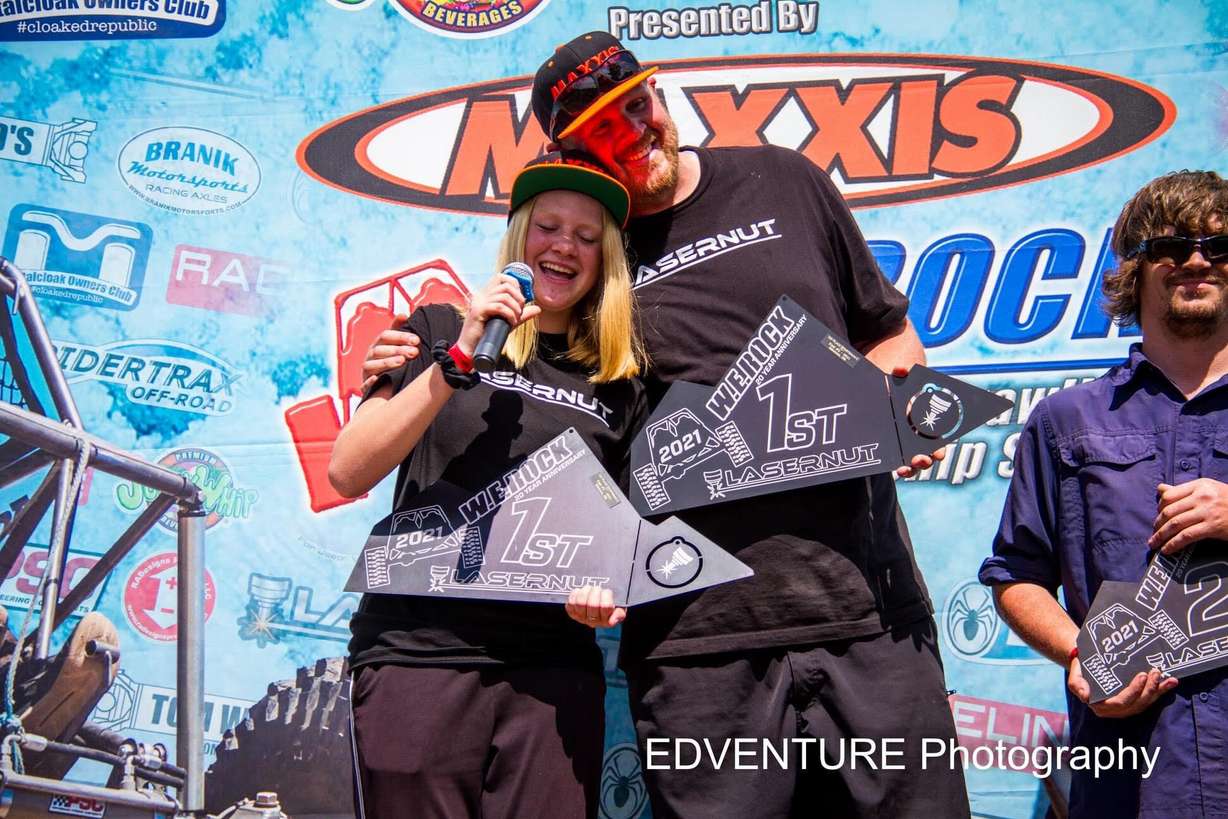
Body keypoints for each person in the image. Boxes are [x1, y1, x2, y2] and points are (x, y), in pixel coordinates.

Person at [363, 32, 969, 818]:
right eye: (600, 131)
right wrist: (419, 350)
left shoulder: (785, 178)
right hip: (695, 649)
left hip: (867, 614)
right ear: (567, 151)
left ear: (660, 93)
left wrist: (904, 403)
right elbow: (531, 390)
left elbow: (885, 332)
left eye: (636, 107)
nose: (633, 134)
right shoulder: (588, 262)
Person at [332, 150, 648, 819]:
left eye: (587, 237)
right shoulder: (439, 330)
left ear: (605, 260)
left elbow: (619, 540)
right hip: (417, 657)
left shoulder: (619, 385)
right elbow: (348, 468)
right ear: (519, 237)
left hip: (551, 673)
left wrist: (603, 591)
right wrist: (457, 353)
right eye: (548, 226)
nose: (564, 246)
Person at [980, 170, 1228, 818]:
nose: (1198, 260)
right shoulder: (1067, 419)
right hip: (1131, 780)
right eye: (1173, 246)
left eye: (1220, 247)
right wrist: (1080, 654)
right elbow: (1016, 576)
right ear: (1136, 268)